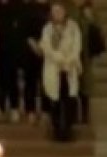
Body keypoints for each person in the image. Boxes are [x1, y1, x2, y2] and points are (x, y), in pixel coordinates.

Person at [40, 1, 83, 142]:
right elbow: (46, 47)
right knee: (55, 100)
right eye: (55, 11)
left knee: (70, 100)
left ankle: (68, 129)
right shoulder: (47, 29)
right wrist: (59, 59)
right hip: (54, 68)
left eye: (60, 11)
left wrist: (70, 59)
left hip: (69, 68)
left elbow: (77, 45)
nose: (57, 14)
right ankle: (57, 129)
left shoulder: (73, 27)